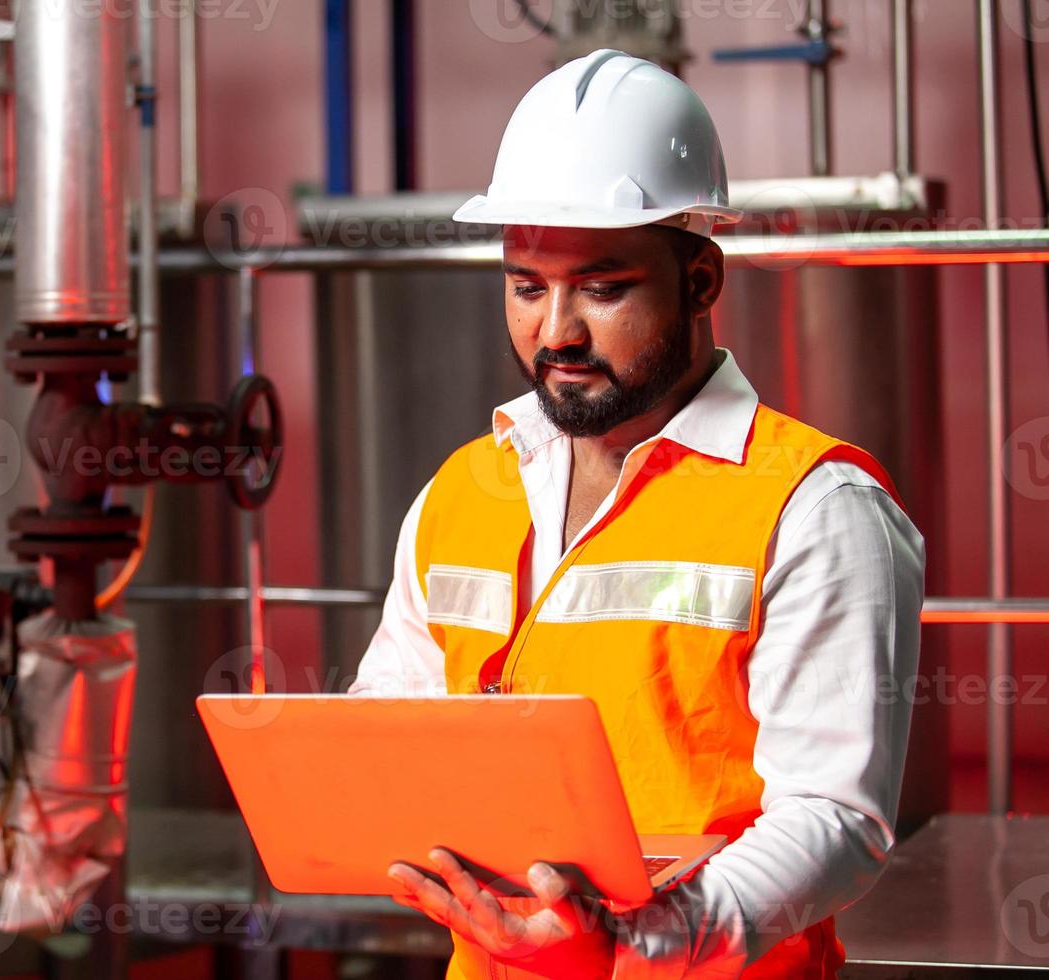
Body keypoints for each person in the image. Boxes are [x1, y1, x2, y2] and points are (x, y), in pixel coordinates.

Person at [350, 49, 925, 979]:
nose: (557, 333)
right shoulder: (462, 490)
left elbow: (835, 817)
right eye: (527, 287)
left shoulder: (814, 506)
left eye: (603, 288)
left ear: (700, 280)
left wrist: (631, 944)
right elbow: (390, 726)